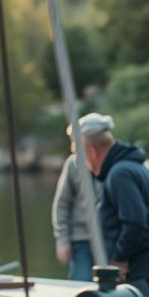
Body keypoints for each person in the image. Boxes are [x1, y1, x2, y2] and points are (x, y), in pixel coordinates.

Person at [82, 113, 149, 297]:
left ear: (91, 152)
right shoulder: (137, 169)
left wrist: (119, 261)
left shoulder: (120, 174)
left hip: (138, 275)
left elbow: (135, 221)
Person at [51, 114, 104, 281]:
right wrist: (62, 240)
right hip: (80, 239)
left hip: (107, 239)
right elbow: (61, 204)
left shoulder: (113, 165)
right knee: (79, 285)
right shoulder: (73, 164)